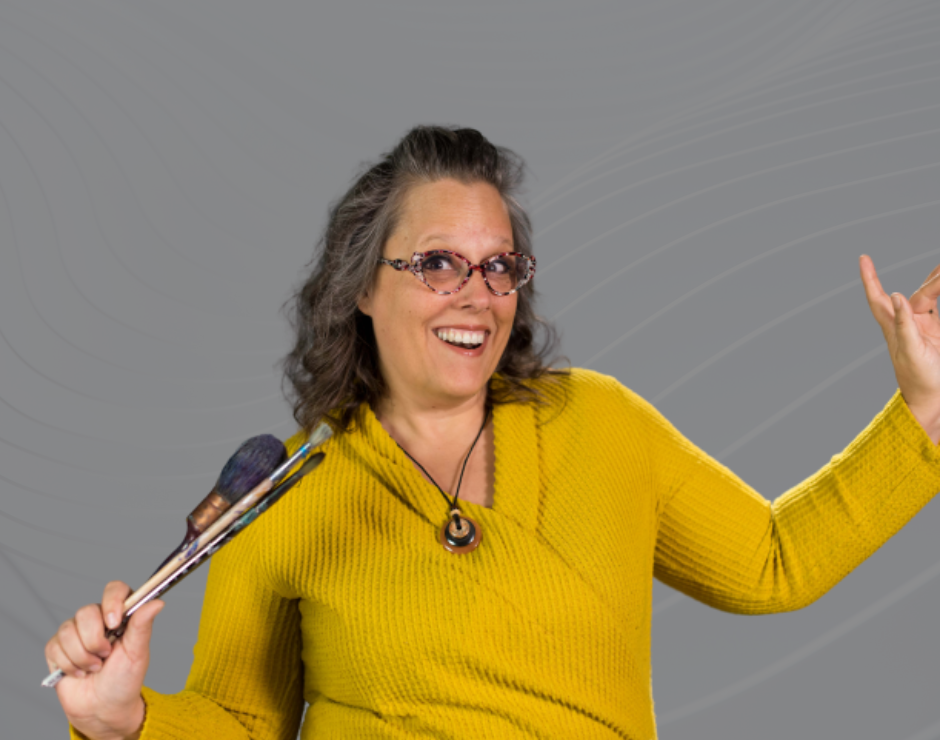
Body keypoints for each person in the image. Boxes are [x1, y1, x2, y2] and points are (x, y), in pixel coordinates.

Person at [46, 126, 940, 740]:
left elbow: (776, 561)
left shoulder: (602, 420)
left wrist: (924, 408)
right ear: (362, 287)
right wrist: (123, 722)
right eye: (438, 263)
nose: (477, 295)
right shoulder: (287, 492)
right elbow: (242, 726)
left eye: (499, 265)